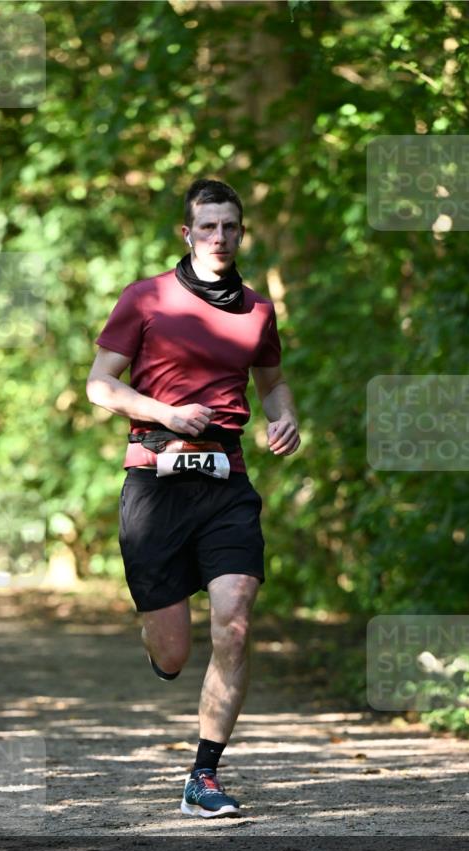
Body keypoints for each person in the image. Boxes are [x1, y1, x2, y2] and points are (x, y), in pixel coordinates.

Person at [86, 178, 300, 818]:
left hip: (227, 481)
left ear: (241, 232)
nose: (219, 237)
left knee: (233, 623)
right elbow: (100, 385)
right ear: (188, 232)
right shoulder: (147, 297)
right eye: (207, 226)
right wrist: (167, 414)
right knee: (174, 652)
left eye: (230, 226)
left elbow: (274, 385)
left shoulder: (258, 311)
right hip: (155, 478)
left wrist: (283, 418)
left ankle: (203, 776)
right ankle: (160, 645)